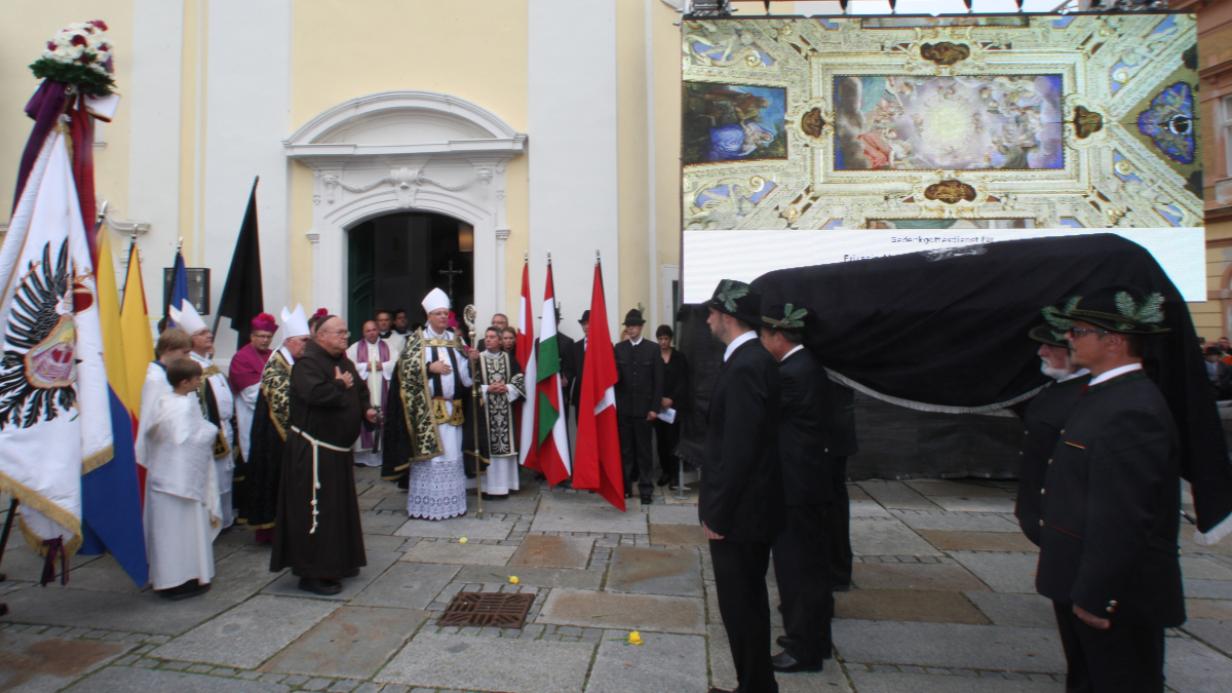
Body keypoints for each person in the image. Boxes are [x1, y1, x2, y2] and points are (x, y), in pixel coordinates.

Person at [1037, 287, 1183, 692]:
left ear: (1114, 341)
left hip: (1116, 595)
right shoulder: (1106, 395)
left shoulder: (1132, 408)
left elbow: (1123, 516)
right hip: (1080, 578)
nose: (1068, 338)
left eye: (1079, 331)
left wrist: (1097, 595)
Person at [700, 279, 783, 693]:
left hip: (741, 514)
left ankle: (756, 687)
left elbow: (739, 450)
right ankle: (754, 684)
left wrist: (718, 514)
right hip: (746, 509)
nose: (708, 320)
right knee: (743, 605)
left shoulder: (748, 365)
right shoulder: (748, 359)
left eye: (712, 313)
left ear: (728, 317)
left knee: (742, 605)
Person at [271, 315, 374, 595]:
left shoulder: (343, 361)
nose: (345, 336)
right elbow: (314, 395)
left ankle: (341, 561)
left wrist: (366, 410)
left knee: (338, 510)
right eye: (339, 332)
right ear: (321, 336)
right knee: (318, 513)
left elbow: (360, 389)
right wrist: (339, 386)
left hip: (336, 452)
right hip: (314, 452)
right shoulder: (307, 364)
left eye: (346, 332)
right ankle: (313, 573)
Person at [759, 303, 832, 673]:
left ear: (778, 336)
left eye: (764, 335)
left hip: (795, 488)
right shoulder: (807, 365)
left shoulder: (791, 373)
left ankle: (802, 648)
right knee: (811, 567)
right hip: (808, 483)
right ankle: (816, 639)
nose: (761, 342)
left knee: (796, 570)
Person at [382, 287, 473, 520]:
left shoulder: (456, 340)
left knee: (452, 454)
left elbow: (466, 379)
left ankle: (451, 504)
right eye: (438, 313)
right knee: (431, 461)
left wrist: (472, 362)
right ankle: (429, 506)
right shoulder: (416, 341)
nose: (443, 317)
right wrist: (429, 368)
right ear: (429, 316)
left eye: (445, 313)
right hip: (426, 410)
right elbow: (404, 373)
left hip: (452, 410)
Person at [143, 358, 221, 601]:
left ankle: (177, 577)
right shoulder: (183, 406)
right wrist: (211, 431)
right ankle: (179, 579)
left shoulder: (165, 401)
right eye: (197, 378)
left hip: (166, 478)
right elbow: (186, 441)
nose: (199, 382)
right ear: (185, 382)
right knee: (179, 534)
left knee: (171, 533)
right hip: (181, 481)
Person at [1015, 314, 1089, 545]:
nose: (1041, 352)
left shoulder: (1090, 396)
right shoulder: (1057, 387)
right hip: (1042, 511)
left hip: (1063, 516)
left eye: (1051, 346)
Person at [240, 306, 311, 544]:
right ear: (289, 341)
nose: (307, 345)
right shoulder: (276, 365)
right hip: (273, 435)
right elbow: (285, 402)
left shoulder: (294, 361)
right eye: (303, 340)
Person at [170, 300, 237, 530]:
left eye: (208, 331)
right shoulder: (189, 367)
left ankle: (225, 520)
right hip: (208, 428)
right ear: (190, 340)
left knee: (225, 476)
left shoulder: (208, 363)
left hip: (224, 427)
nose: (209, 335)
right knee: (212, 478)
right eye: (202, 333)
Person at [613, 308, 663, 503]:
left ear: (641, 327)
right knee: (626, 451)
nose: (631, 329)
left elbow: (658, 381)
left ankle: (645, 489)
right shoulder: (619, 348)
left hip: (644, 410)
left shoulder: (652, 349)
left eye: (634, 326)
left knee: (644, 451)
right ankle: (626, 486)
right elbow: (614, 378)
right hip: (624, 409)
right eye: (629, 326)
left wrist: (654, 408)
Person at [230, 313, 277, 515]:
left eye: (268, 337)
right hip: (251, 419)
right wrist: (279, 389)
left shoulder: (274, 356)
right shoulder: (241, 358)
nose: (265, 340)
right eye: (261, 336)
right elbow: (251, 395)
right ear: (252, 336)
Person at [472, 326, 526, 499]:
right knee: (487, 447)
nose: (488, 339)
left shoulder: (509, 359)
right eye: (486, 337)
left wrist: (507, 387)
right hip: (485, 412)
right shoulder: (478, 359)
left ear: (500, 340)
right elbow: (470, 382)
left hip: (504, 412)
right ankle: (487, 488)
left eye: (492, 337)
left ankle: (504, 486)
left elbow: (519, 379)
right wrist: (487, 388)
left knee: (503, 449)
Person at [136, 328, 193, 471]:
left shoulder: (169, 375)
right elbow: (151, 418)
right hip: (163, 449)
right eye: (185, 353)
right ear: (169, 349)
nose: (188, 358)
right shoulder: (156, 379)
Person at [346, 320, 395, 467]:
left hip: (384, 389)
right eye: (368, 331)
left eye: (374, 330)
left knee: (384, 416)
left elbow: (398, 362)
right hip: (364, 391)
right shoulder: (355, 348)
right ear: (363, 333)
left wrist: (383, 365)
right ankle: (362, 457)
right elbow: (348, 365)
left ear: (377, 330)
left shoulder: (389, 346)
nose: (372, 333)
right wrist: (364, 366)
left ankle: (382, 455)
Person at [654, 324, 689, 487]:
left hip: (675, 407)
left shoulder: (679, 357)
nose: (663, 342)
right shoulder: (654, 356)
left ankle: (675, 474)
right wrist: (659, 399)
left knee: (673, 441)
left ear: (670, 339)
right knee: (661, 441)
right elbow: (651, 380)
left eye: (666, 338)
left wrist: (672, 399)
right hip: (658, 406)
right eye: (660, 339)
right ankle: (665, 472)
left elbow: (684, 381)